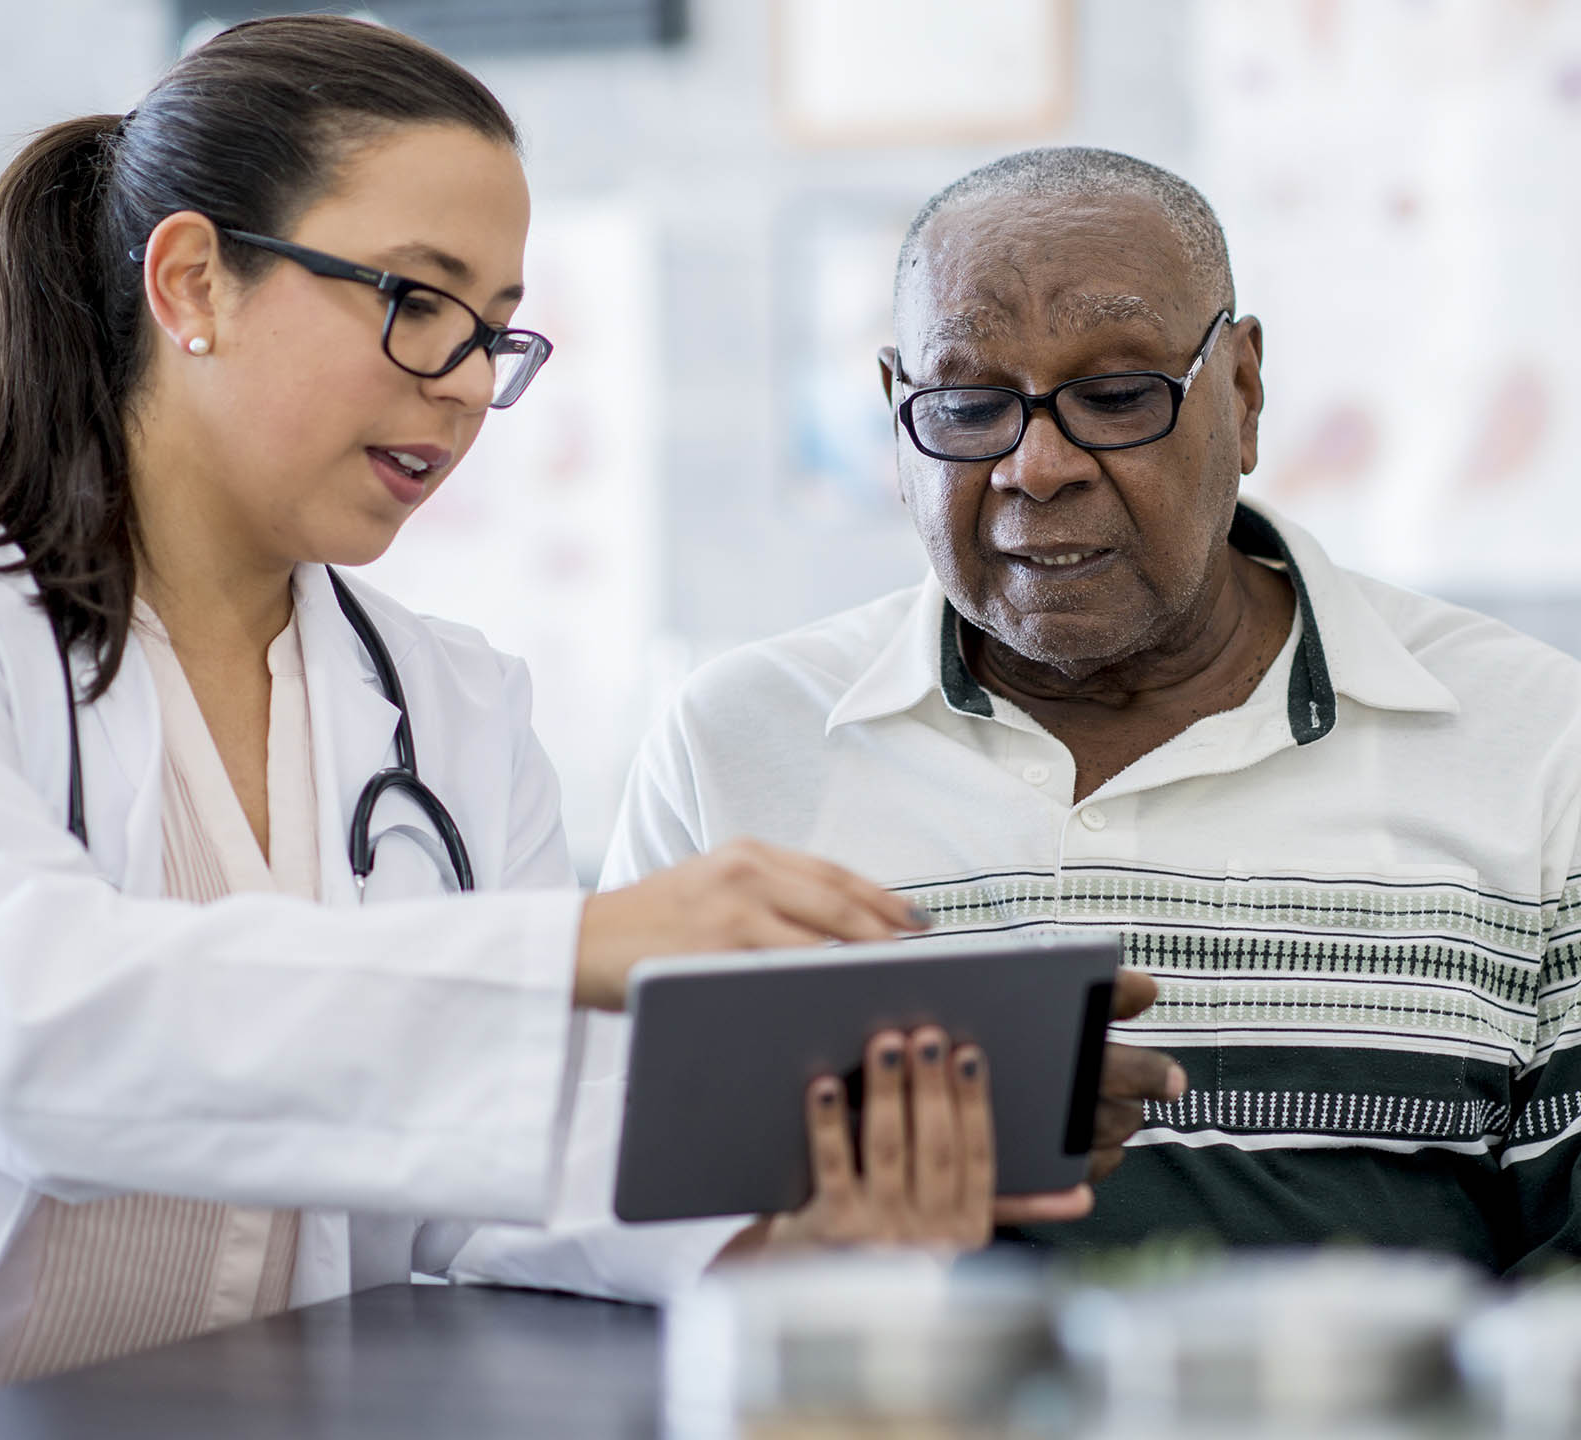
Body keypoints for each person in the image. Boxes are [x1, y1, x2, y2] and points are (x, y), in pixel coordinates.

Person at [0, 18, 1005, 1438]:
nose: (471, 380)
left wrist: (781, 1224)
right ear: (193, 282)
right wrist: (570, 952)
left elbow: (499, 1170)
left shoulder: (454, 706)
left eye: (494, 329)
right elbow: (23, 1038)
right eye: (416, 300)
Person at [451, 145, 1581, 1299]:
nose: (1037, 467)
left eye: (1119, 396)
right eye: (969, 405)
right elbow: (565, 1206)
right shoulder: (740, 744)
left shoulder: (1534, 742)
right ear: (897, 416)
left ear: (1241, 394)